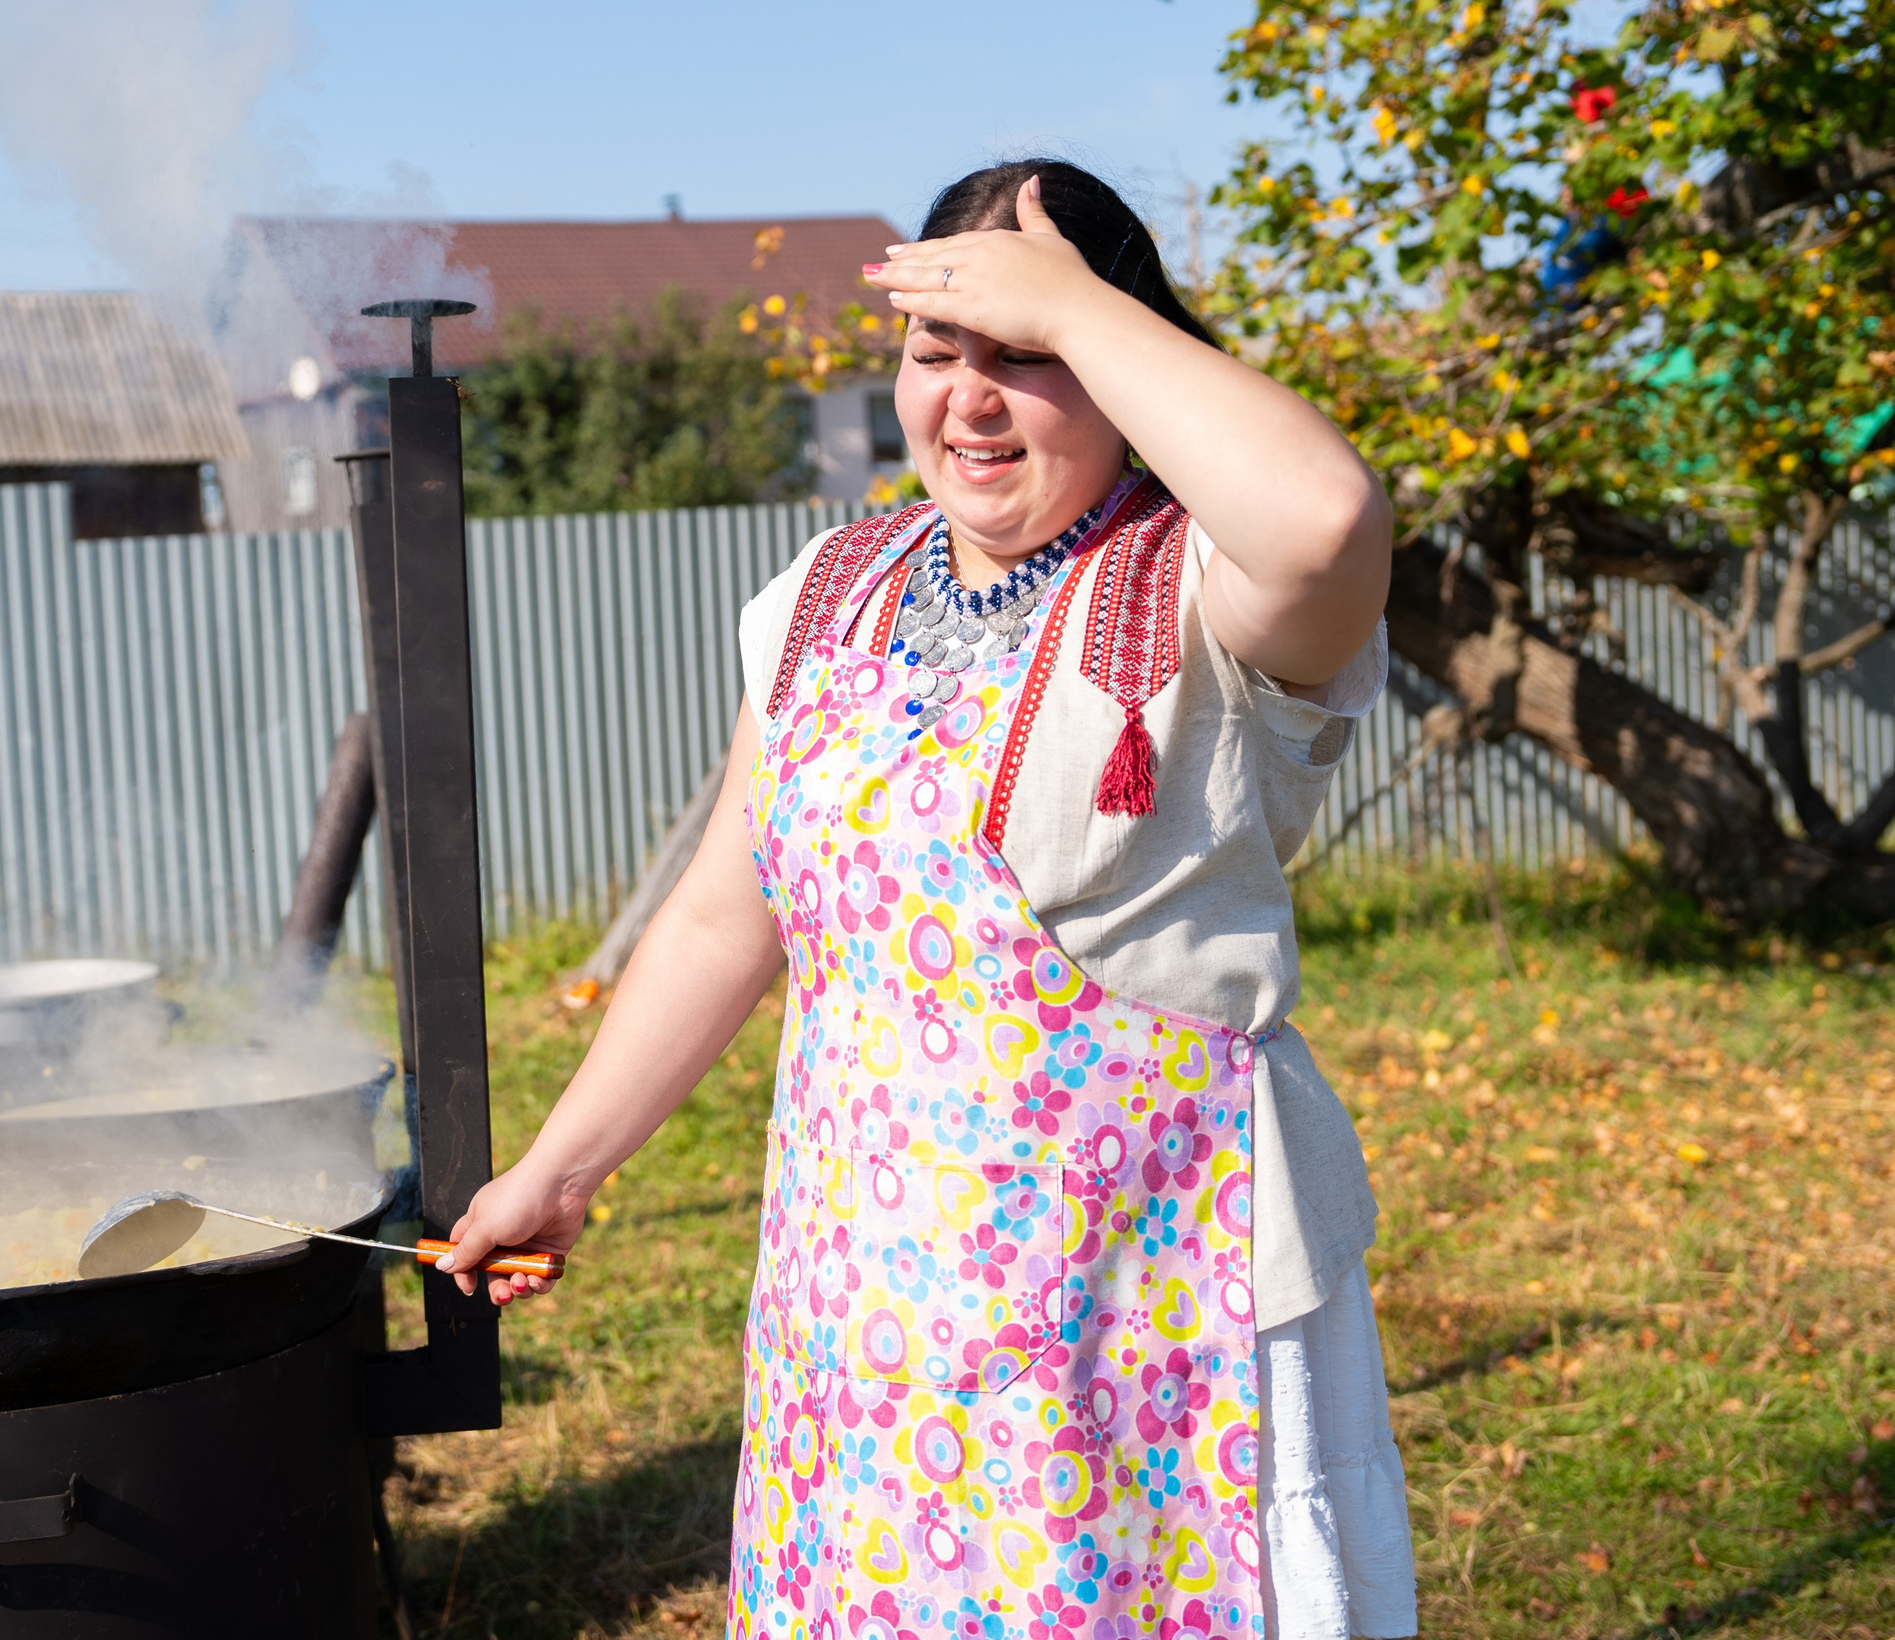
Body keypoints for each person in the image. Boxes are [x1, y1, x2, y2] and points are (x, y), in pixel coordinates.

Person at [439, 159, 1418, 1640]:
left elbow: (1331, 516)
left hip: (1144, 1310)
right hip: (868, 1312)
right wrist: (566, 1169)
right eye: (936, 351)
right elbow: (725, 915)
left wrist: (1075, 305)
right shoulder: (830, 590)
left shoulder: (1212, 589)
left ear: (1120, 363)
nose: (970, 401)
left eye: (1026, 359)